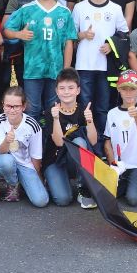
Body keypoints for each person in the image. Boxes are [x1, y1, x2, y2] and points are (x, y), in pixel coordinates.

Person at [4, 0, 76, 120]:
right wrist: (19, 34)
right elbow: (7, 31)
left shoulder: (64, 12)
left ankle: (51, 141)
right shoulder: (27, 9)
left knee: (53, 108)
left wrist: (66, 69)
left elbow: (69, 42)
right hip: (32, 69)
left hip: (56, 69)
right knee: (32, 108)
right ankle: (32, 141)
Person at [72, 0, 130, 133]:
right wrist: (83, 34)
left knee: (103, 107)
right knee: (85, 106)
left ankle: (104, 143)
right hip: (84, 66)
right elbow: (70, 35)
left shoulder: (115, 8)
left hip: (106, 67)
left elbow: (124, 34)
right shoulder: (79, 8)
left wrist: (111, 46)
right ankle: (85, 141)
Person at [43, 68, 100, 207]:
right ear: (56, 91)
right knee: (63, 200)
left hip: (73, 159)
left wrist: (90, 121)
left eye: (70, 87)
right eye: (62, 88)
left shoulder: (84, 110)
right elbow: (58, 142)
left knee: (80, 142)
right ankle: (52, 180)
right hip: (55, 160)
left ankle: (82, 188)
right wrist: (56, 119)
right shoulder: (52, 111)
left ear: (78, 90)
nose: (66, 91)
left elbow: (93, 141)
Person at [104, 71, 137, 206]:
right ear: (119, 89)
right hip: (119, 166)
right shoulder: (112, 113)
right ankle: (125, 183)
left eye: (132, 89)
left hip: (136, 165)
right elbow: (107, 141)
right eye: (124, 89)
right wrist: (112, 163)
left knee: (134, 199)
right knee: (107, 195)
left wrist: (136, 115)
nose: (128, 93)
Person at [0, 86, 48, 206]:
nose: (12, 110)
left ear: (23, 106)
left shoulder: (33, 125)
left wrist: (37, 179)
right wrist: (7, 140)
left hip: (25, 164)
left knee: (41, 201)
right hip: (5, 161)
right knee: (6, 161)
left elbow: (36, 156)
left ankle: (23, 182)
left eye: (16, 106)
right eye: (8, 106)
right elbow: (1, 151)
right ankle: (13, 185)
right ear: (3, 105)